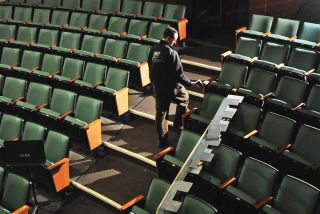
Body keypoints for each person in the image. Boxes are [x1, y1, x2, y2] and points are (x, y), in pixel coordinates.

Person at [148, 27, 197, 148]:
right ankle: (178, 124)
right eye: (174, 40)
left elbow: (150, 65)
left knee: (161, 113)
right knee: (184, 97)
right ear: (169, 38)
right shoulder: (171, 52)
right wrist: (190, 83)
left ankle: (162, 141)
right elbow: (179, 74)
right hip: (170, 87)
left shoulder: (153, 49)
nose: (175, 42)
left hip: (157, 87)